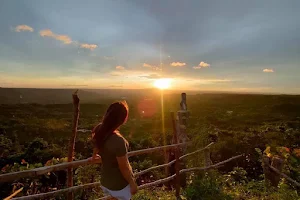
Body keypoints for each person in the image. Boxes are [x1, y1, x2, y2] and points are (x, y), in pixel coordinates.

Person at [89, 101, 138, 200]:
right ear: (123, 119)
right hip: (119, 186)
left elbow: (96, 145)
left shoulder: (99, 129)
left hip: (105, 182)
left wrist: (95, 157)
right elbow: (124, 167)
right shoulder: (119, 141)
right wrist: (133, 183)